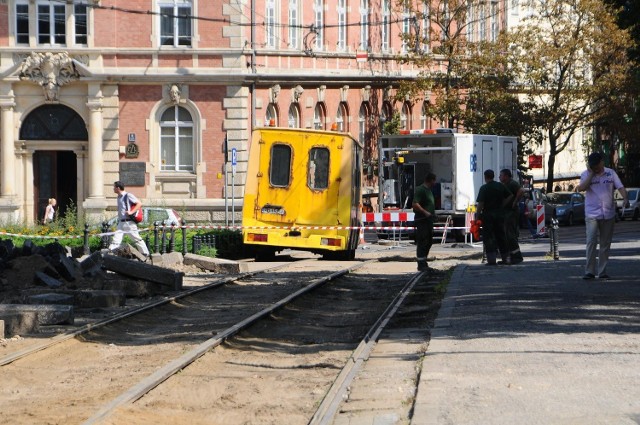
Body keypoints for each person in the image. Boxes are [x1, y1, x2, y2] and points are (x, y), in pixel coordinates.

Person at [576, 152, 628, 280]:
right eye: (593, 166)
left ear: (602, 162)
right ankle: (589, 271)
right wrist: (592, 174)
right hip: (592, 214)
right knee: (591, 241)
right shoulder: (585, 174)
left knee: (605, 243)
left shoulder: (610, 173)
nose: (596, 168)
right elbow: (581, 188)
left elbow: (620, 186)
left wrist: (625, 198)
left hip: (608, 213)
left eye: (597, 165)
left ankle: (602, 271)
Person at [476, 169, 513, 265]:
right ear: (493, 176)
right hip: (500, 215)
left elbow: (481, 203)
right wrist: (503, 204)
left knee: (489, 237)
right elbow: (510, 195)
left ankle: (491, 260)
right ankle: (506, 259)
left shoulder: (484, 188)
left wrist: (477, 215)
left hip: (488, 215)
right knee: (501, 235)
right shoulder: (500, 186)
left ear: (485, 177)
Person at [109, 181, 150, 258]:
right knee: (116, 238)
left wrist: (131, 212)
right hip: (121, 222)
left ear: (118, 188)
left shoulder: (128, 195)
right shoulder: (118, 197)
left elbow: (139, 203)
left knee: (136, 238)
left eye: (114, 187)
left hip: (129, 222)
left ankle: (146, 254)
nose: (113, 189)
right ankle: (111, 254)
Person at [412, 173, 437, 272]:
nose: (435, 183)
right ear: (430, 180)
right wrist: (425, 212)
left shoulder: (428, 191)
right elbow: (415, 204)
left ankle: (424, 262)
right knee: (423, 241)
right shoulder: (421, 190)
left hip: (428, 221)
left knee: (428, 241)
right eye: (434, 180)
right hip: (422, 220)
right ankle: (421, 264)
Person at [499, 169, 524, 264]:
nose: (499, 177)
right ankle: (509, 257)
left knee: (510, 235)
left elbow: (521, 191)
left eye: (501, 175)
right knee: (506, 235)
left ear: (506, 176)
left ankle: (517, 257)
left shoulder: (512, 183)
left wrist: (515, 202)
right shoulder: (505, 185)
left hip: (511, 213)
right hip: (507, 213)